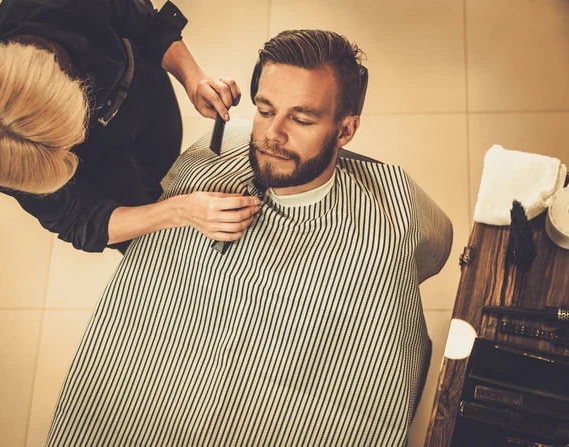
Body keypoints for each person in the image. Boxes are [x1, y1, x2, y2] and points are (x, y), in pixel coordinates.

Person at [45, 30, 453, 446]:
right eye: (265, 109)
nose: (272, 135)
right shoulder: (212, 159)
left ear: (346, 131)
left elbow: (435, 251)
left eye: (302, 119)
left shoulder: (393, 208)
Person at [0, 0, 260, 253]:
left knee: (165, 163)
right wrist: (178, 210)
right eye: (68, 145)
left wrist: (194, 79)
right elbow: (78, 220)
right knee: (146, 237)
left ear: (66, 79)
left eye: (72, 130)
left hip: (138, 88)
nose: (83, 135)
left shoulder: (62, 4)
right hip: (98, 168)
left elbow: (148, 26)